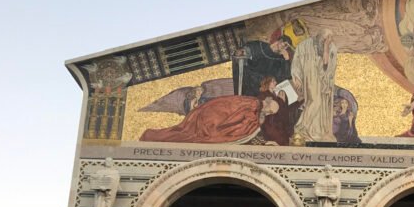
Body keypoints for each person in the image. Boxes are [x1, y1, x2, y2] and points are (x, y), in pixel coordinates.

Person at [140, 94, 280, 144]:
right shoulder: (253, 106)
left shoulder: (252, 103)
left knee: (183, 132)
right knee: (187, 135)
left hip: (209, 113)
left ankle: (152, 136)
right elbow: (234, 121)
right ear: (267, 105)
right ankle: (152, 136)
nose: (268, 114)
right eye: (270, 111)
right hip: (212, 120)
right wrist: (256, 126)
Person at [291, 31, 337, 144]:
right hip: (310, 76)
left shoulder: (331, 47)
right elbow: (296, 60)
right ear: (319, 37)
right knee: (315, 101)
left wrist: (326, 47)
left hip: (323, 81)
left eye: (329, 38)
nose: (327, 40)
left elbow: (327, 64)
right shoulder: (305, 45)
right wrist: (297, 76)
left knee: (321, 105)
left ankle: (316, 131)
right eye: (325, 38)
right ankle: (301, 127)